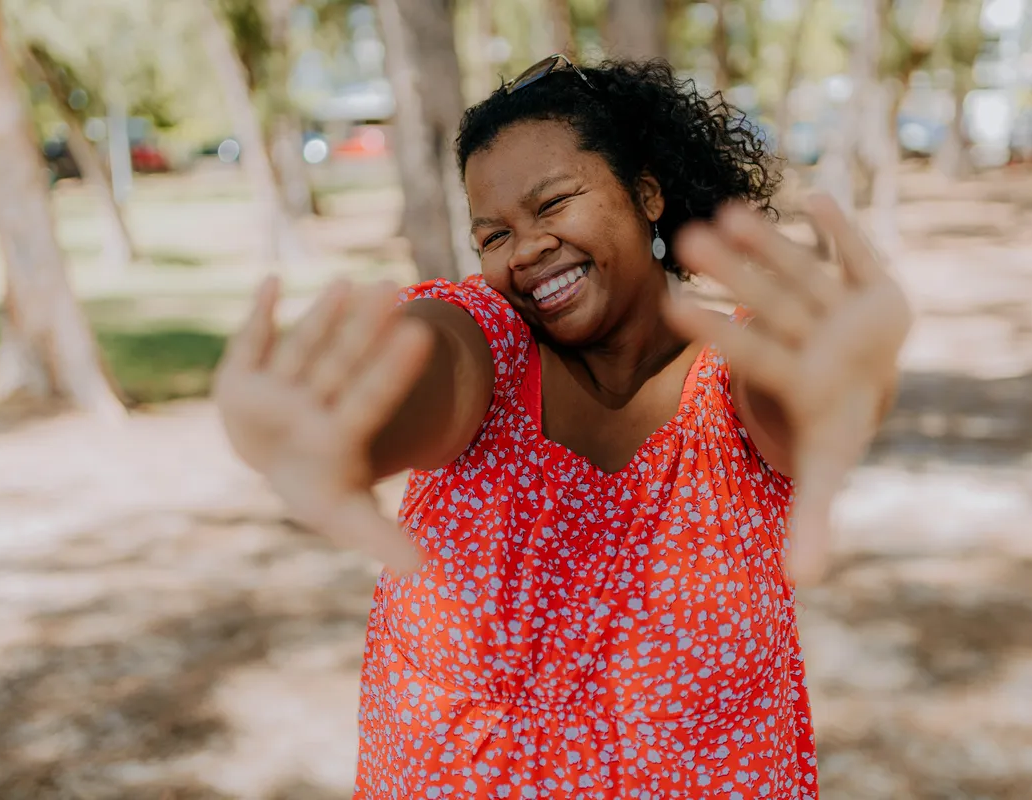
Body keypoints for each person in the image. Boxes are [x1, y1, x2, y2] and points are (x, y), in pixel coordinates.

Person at [214, 56, 910, 800]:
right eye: (493, 235)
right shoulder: (489, 341)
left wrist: (847, 389)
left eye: (552, 205)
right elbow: (427, 363)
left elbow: (793, 405)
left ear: (645, 191)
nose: (526, 249)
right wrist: (345, 425)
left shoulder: (735, 376)